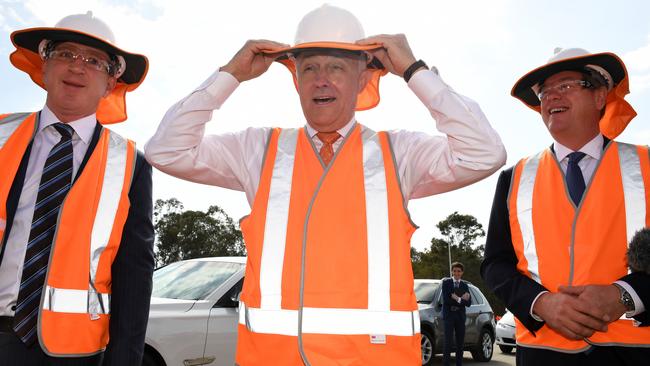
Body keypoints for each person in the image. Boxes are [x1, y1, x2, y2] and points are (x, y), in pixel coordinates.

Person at [145, 4, 505, 365]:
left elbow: (485, 153)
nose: (321, 79)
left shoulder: (399, 153)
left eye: (336, 67)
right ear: (296, 80)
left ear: (363, 79)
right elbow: (166, 150)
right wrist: (230, 75)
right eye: (309, 68)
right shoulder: (258, 149)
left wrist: (415, 71)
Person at [0, 11, 154, 365]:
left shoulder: (131, 163)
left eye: (94, 61)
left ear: (110, 84)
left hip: (77, 353)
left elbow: (134, 274)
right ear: (44, 66)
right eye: (66, 54)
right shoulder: (2, 137)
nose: (77, 67)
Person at [481, 47, 650, 365]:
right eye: (544, 91)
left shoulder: (646, 165)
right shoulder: (514, 177)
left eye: (565, 86)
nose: (550, 97)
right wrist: (541, 303)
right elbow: (496, 264)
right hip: (543, 353)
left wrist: (625, 295)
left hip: (635, 352)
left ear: (600, 96)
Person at [441, 262, 471, 366]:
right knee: (447, 343)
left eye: (459, 271)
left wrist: (457, 298)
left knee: (460, 344)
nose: (456, 273)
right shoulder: (446, 283)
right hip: (449, 316)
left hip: (460, 317)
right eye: (454, 271)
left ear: (462, 272)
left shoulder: (465, 285)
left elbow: (468, 303)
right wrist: (461, 299)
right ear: (452, 271)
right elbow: (446, 300)